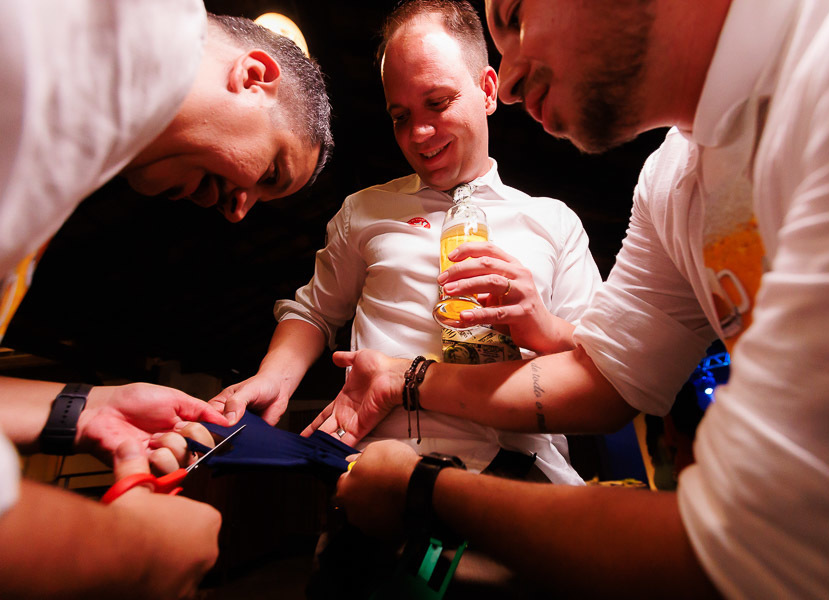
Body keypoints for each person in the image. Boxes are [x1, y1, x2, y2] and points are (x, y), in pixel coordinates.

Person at [311, 0, 829, 597]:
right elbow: (605, 376)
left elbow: (765, 543)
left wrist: (423, 488)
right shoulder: (669, 181)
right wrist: (404, 378)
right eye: (401, 114)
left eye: (514, 14)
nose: (508, 82)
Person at [0, 1, 333, 596]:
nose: (237, 211)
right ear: (253, 77)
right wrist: (133, 552)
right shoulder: (56, 48)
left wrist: (93, 406)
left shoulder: (83, 121)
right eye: (271, 171)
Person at [210, 0, 600, 485]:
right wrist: (274, 377)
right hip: (381, 476)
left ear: (487, 90)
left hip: (526, 481)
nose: (419, 133)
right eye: (400, 116)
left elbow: (602, 364)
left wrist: (539, 324)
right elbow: (313, 312)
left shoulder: (554, 222)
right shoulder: (363, 211)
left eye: (437, 103)